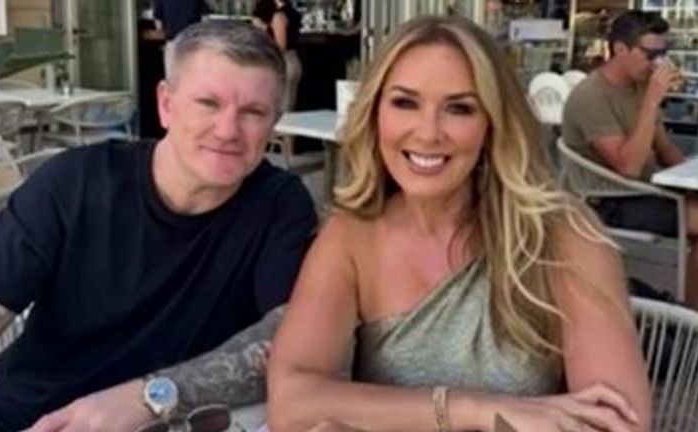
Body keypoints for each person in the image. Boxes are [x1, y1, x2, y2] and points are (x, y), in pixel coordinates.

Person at [267, 16, 651, 432]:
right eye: (405, 103)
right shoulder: (351, 235)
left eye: (459, 108)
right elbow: (291, 402)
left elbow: (616, 423)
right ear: (375, 113)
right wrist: (473, 409)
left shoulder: (563, 235)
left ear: (492, 124)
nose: (428, 133)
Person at [0, 21, 317, 432]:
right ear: (166, 104)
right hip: (24, 419)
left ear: (274, 122)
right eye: (208, 103)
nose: (228, 130)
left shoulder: (279, 205)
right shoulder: (73, 184)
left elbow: (295, 341)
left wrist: (150, 396)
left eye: (253, 112)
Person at [562, 10, 698, 312]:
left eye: (663, 54)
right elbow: (627, 167)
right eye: (650, 54)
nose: (657, 62)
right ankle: (695, 317)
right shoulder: (591, 96)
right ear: (620, 49)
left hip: (645, 190)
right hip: (609, 199)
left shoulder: (638, 87)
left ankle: (695, 311)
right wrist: (652, 101)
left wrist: (693, 180)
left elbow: (665, 148)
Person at [251, 0, 302, 111]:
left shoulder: (279, 16)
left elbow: (280, 46)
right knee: (288, 105)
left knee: (281, 107)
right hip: (293, 59)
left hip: (283, 62)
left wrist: (264, 34)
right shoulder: (292, 13)